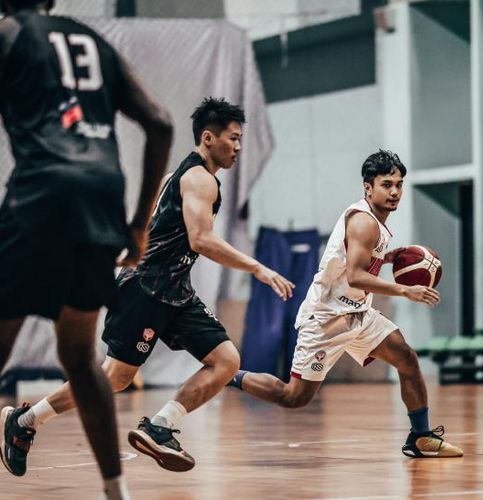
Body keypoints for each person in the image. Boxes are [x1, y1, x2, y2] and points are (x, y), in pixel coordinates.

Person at [7, 97, 294, 473]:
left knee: (225, 361)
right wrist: (258, 268)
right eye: (233, 138)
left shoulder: (176, 178)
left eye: (241, 139)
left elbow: (151, 229)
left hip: (174, 290)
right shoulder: (199, 179)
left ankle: (161, 426)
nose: (238, 147)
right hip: (146, 288)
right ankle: (24, 422)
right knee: (114, 379)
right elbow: (201, 240)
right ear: (208, 138)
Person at [0, 1, 173, 498]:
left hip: (39, 193)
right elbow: (160, 122)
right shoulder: (94, 42)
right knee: (78, 354)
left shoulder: (10, 33)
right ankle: (114, 491)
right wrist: (139, 226)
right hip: (101, 199)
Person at [228, 149, 463, 459]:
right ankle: (228, 375)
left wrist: (386, 257)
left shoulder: (375, 222)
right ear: (368, 187)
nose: (394, 192)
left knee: (406, 358)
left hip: (358, 314)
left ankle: (420, 436)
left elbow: (358, 262)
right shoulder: (364, 222)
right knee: (293, 397)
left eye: (399, 184)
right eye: (386, 184)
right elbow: (355, 276)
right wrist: (405, 291)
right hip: (327, 318)